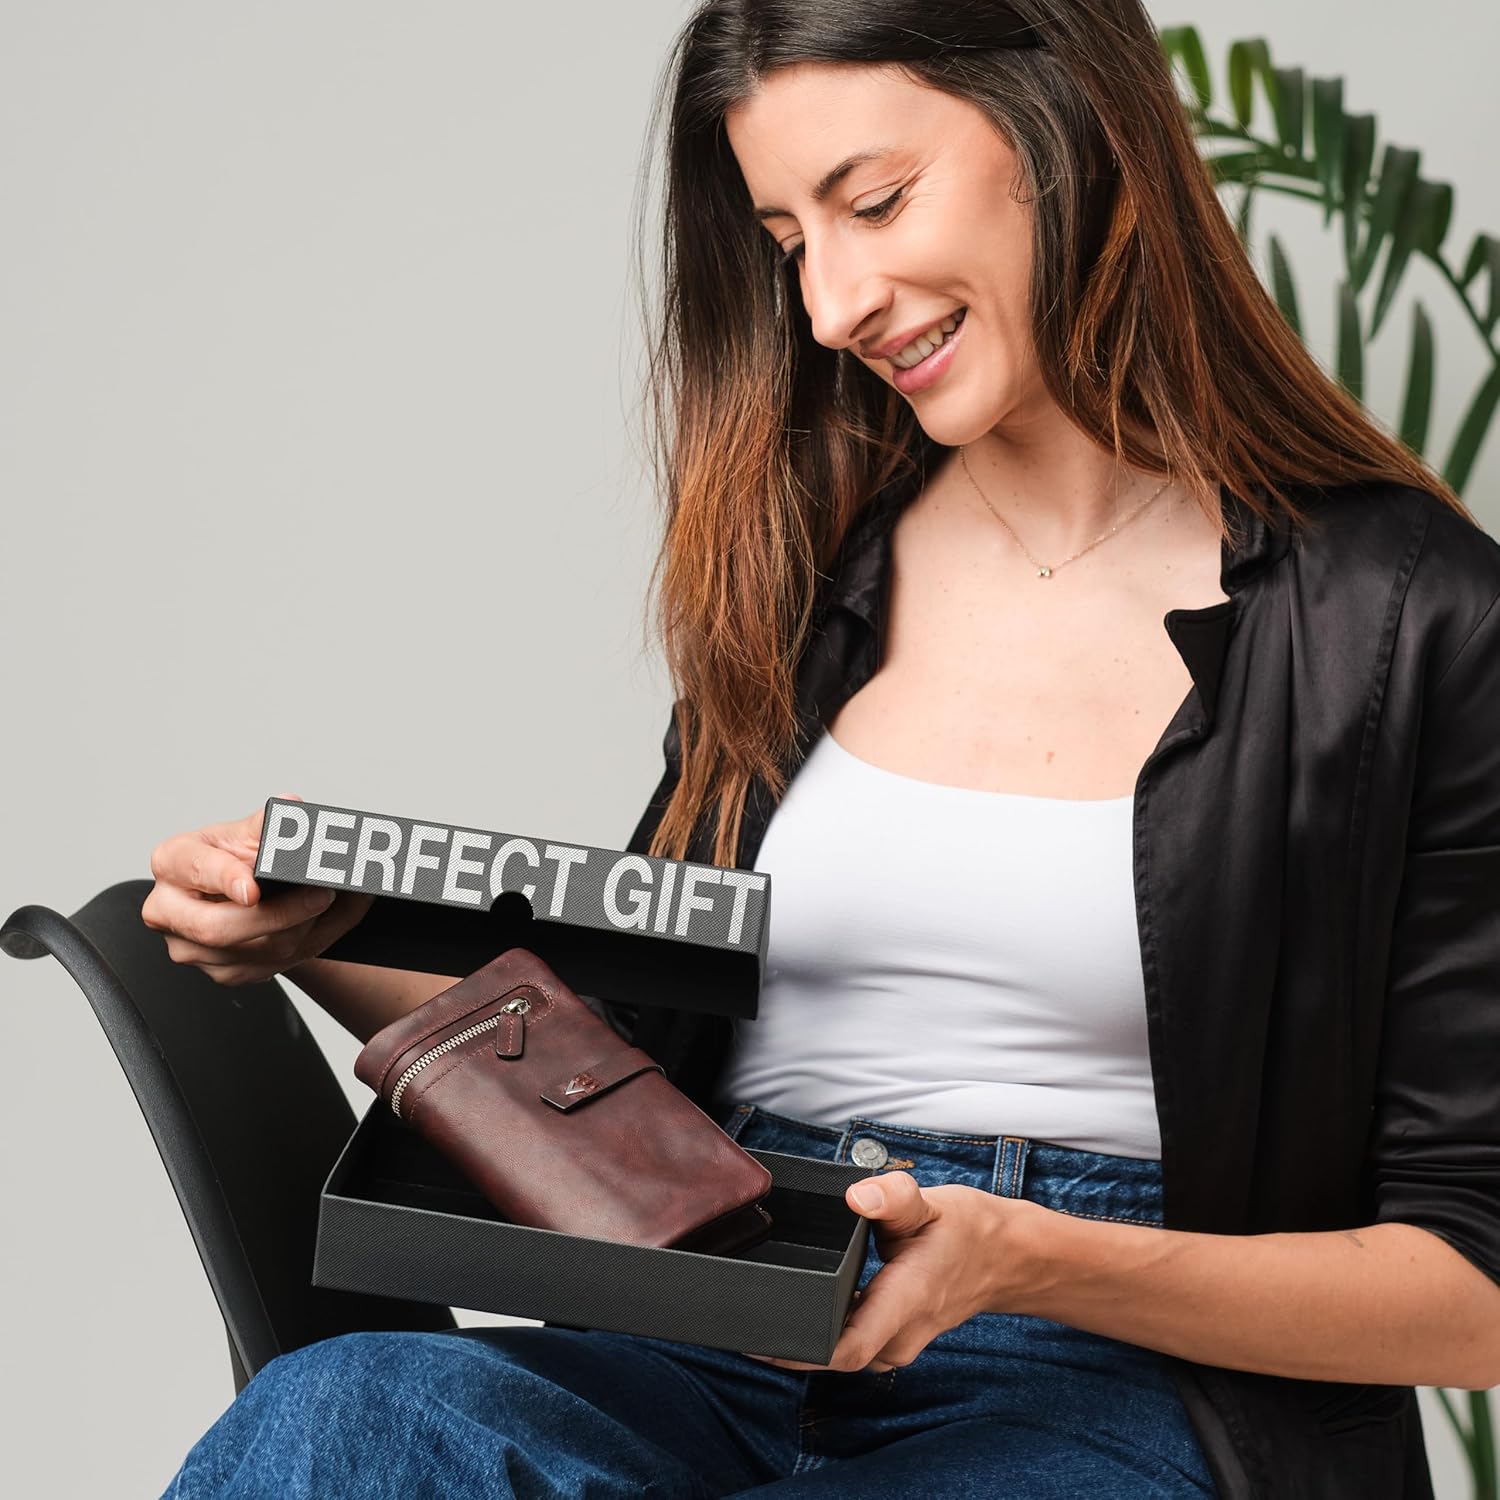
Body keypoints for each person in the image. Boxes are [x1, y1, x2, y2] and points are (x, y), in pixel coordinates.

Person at [143, 1, 1500, 1495]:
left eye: (877, 201)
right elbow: (618, 1085)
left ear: (1072, 124)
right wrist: (332, 932)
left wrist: (1026, 1257)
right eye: (790, 242)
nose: (833, 306)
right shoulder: (812, 569)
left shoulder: (1407, 619)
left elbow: (1477, 1285)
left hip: (1113, 1375)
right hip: (715, 1307)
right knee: (342, 1417)